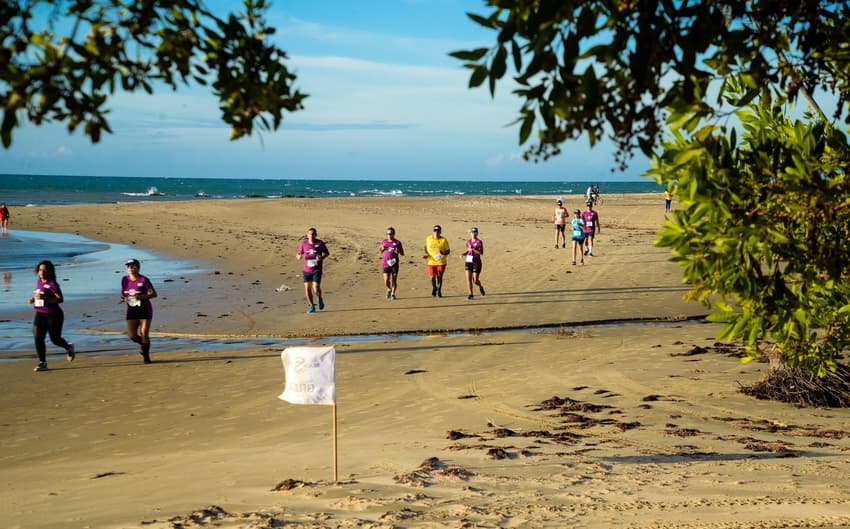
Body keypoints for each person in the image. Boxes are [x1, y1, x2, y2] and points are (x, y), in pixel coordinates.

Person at [28, 260, 75, 371]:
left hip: (53, 315)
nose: (42, 272)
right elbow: (39, 294)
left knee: (55, 339)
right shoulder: (39, 281)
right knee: (37, 337)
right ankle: (42, 363)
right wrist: (33, 299)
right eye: (40, 270)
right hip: (40, 313)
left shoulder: (53, 284)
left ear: (50, 271)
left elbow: (60, 299)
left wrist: (45, 299)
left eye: (45, 270)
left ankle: (68, 347)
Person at [120, 258, 157, 364]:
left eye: (133, 266)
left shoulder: (144, 280)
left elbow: (154, 294)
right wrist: (123, 297)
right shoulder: (124, 280)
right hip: (132, 311)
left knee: (144, 333)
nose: (130, 268)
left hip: (145, 310)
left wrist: (142, 296)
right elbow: (123, 291)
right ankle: (144, 345)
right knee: (132, 336)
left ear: (138, 268)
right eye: (128, 266)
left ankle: (146, 356)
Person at [296, 227, 330, 313]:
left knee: (315, 288)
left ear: (316, 235)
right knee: (307, 288)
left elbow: (327, 253)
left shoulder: (320, 243)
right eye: (309, 234)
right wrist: (299, 256)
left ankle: (319, 298)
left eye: (313, 234)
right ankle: (311, 306)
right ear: (307, 235)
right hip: (306, 270)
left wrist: (321, 257)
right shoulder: (304, 243)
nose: (311, 235)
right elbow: (299, 254)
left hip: (317, 269)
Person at [423, 224, 450, 298]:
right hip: (431, 261)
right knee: (432, 277)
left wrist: (443, 253)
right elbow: (425, 247)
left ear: (440, 232)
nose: (436, 232)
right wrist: (426, 254)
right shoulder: (428, 238)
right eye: (435, 231)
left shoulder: (443, 240)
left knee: (439, 276)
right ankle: (434, 287)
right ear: (433, 231)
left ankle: (439, 290)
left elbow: (448, 251)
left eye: (438, 231)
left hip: (441, 262)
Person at [380, 227, 404, 300]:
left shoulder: (397, 242)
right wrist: (382, 249)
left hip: (394, 263)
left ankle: (393, 294)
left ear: (394, 234)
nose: (389, 235)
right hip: (385, 263)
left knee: (394, 279)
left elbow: (402, 253)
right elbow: (381, 251)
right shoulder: (384, 241)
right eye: (387, 234)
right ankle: (389, 289)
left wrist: (398, 252)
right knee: (386, 280)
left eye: (390, 234)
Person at [463, 227, 485, 300]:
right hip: (468, 261)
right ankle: (471, 294)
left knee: (475, 280)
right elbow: (468, 251)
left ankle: (480, 287)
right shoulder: (468, 242)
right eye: (472, 233)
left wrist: (474, 249)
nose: (473, 234)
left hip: (476, 262)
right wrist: (464, 254)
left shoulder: (479, 242)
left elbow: (481, 253)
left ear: (477, 233)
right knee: (468, 279)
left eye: (475, 233)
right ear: (470, 234)